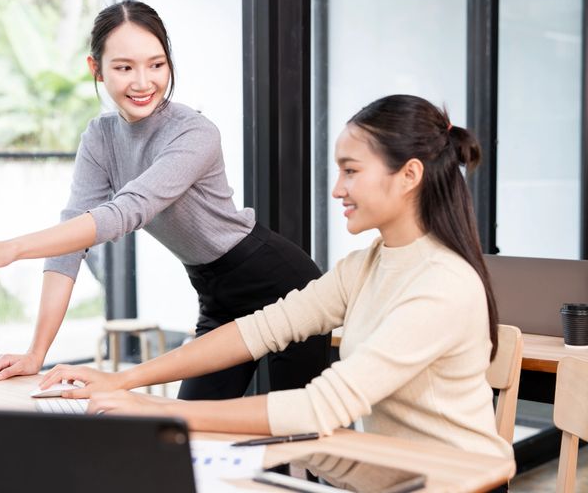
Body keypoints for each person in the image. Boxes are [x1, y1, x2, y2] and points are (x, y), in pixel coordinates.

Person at [47, 94, 514, 459]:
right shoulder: (366, 265)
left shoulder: (443, 284)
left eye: (351, 172)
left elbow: (319, 407)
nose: (337, 189)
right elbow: (257, 331)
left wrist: (159, 410)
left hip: (458, 482)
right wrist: (123, 381)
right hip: (395, 475)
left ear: (409, 174)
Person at [0, 1, 329, 400]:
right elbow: (71, 245)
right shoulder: (100, 137)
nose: (143, 82)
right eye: (124, 67)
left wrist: (8, 250)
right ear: (96, 69)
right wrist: (36, 353)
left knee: (296, 437)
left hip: (282, 285)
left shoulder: (194, 133)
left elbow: (127, 212)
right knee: (187, 434)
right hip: (216, 296)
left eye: (156, 65)